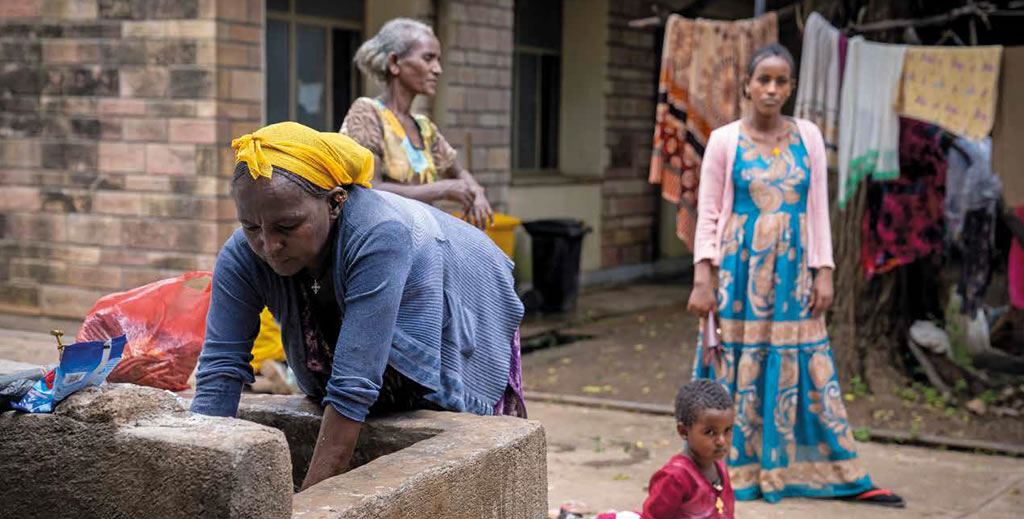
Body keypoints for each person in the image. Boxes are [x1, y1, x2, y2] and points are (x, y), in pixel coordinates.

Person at [189, 121, 525, 491]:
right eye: (252, 227)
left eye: (287, 226)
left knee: (457, 468)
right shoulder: (241, 254)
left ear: (335, 202)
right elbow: (221, 364)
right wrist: (201, 481)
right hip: (370, 301)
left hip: (459, 288)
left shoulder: (379, 234)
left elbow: (353, 386)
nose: (269, 245)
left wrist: (309, 502)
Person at [687, 44, 903, 507]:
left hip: (792, 275)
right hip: (739, 273)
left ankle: (805, 467)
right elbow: (708, 213)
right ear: (747, 83)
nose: (771, 89)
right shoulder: (725, 140)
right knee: (738, 363)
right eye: (763, 79)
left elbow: (817, 212)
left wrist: (823, 271)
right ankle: (731, 469)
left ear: (791, 88)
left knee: (802, 359)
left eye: (780, 81)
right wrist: (703, 278)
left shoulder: (807, 136)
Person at [341, 18, 493, 229]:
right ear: (394, 63)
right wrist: (442, 189)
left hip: (422, 238)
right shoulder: (368, 113)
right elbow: (369, 189)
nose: (437, 69)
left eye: (438, 60)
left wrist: (477, 191)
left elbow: (458, 173)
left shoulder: (424, 128)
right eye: (428, 58)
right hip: (381, 241)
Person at [640, 379, 736, 519]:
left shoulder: (720, 468)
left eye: (728, 430)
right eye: (710, 432)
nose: (721, 441)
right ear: (684, 431)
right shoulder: (674, 479)